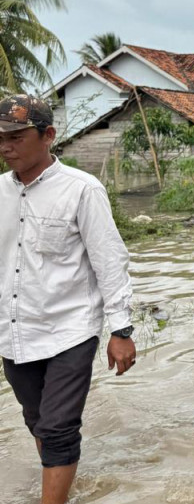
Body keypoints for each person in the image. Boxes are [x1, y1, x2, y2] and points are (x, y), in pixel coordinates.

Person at [0, 95, 135, 504]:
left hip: (70, 329)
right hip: (14, 329)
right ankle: (62, 486)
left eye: (16, 136)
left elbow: (110, 260)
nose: (6, 145)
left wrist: (121, 329)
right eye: (0, 137)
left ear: (48, 136)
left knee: (57, 426)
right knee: (37, 420)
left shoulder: (82, 190)